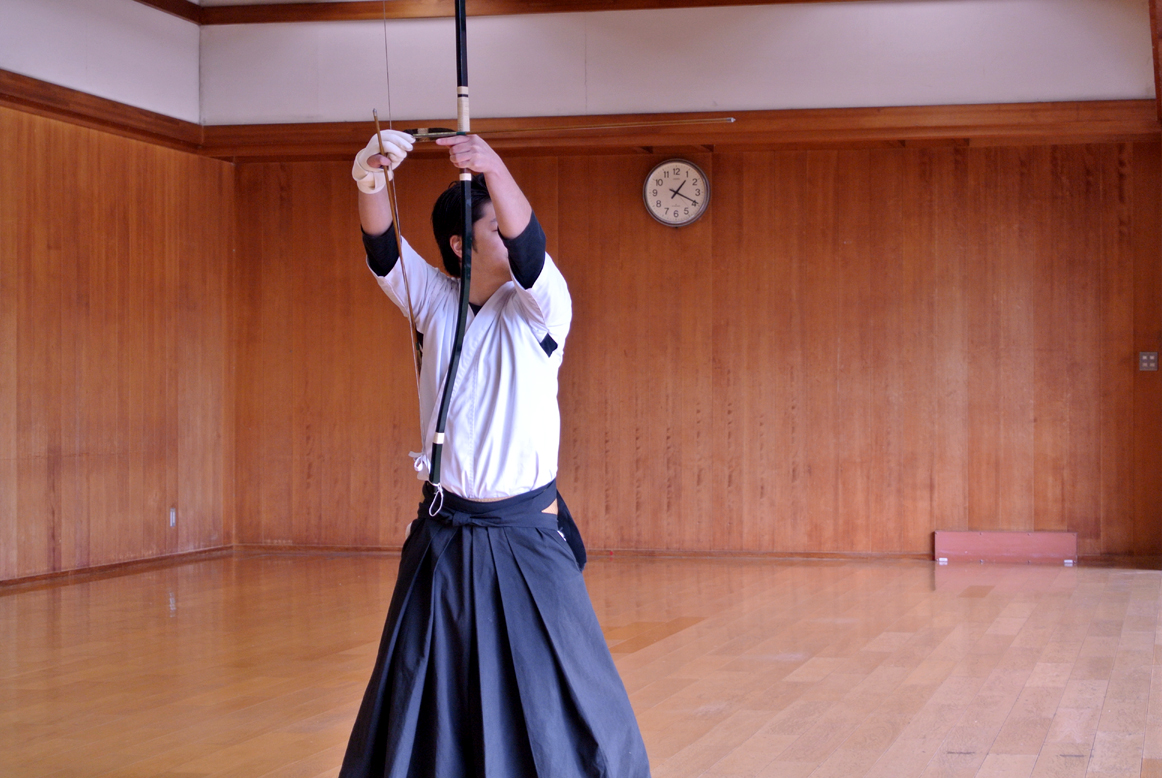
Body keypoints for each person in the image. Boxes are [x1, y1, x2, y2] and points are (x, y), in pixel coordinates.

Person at [338, 130, 652, 778]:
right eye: (493, 228)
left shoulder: (541, 308)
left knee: (566, 692)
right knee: (427, 688)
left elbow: (530, 247)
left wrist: (493, 167)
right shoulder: (434, 302)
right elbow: (382, 249)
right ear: (460, 246)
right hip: (446, 535)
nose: (510, 233)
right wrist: (371, 176)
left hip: (526, 535)